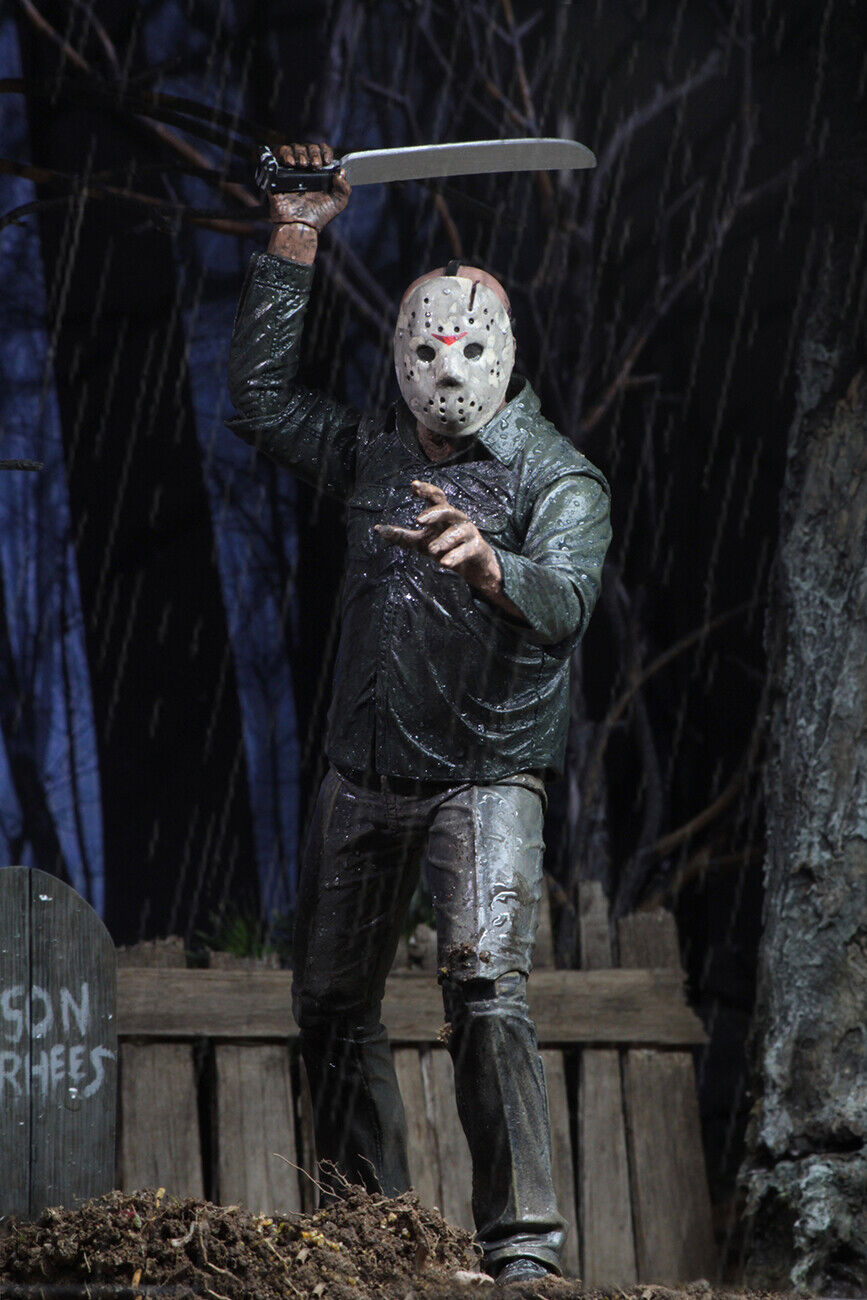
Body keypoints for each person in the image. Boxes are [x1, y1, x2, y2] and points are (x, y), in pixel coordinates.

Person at [226, 142, 612, 1285]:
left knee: (486, 985)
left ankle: (524, 1246)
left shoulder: (555, 477)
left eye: (471, 349)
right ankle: (371, 1231)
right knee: (330, 1001)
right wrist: (296, 236)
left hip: (483, 774)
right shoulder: (372, 453)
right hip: (364, 769)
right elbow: (258, 400)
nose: (449, 370)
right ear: (400, 354)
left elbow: (569, 600)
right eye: (428, 348)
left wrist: (491, 564)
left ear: (507, 352)